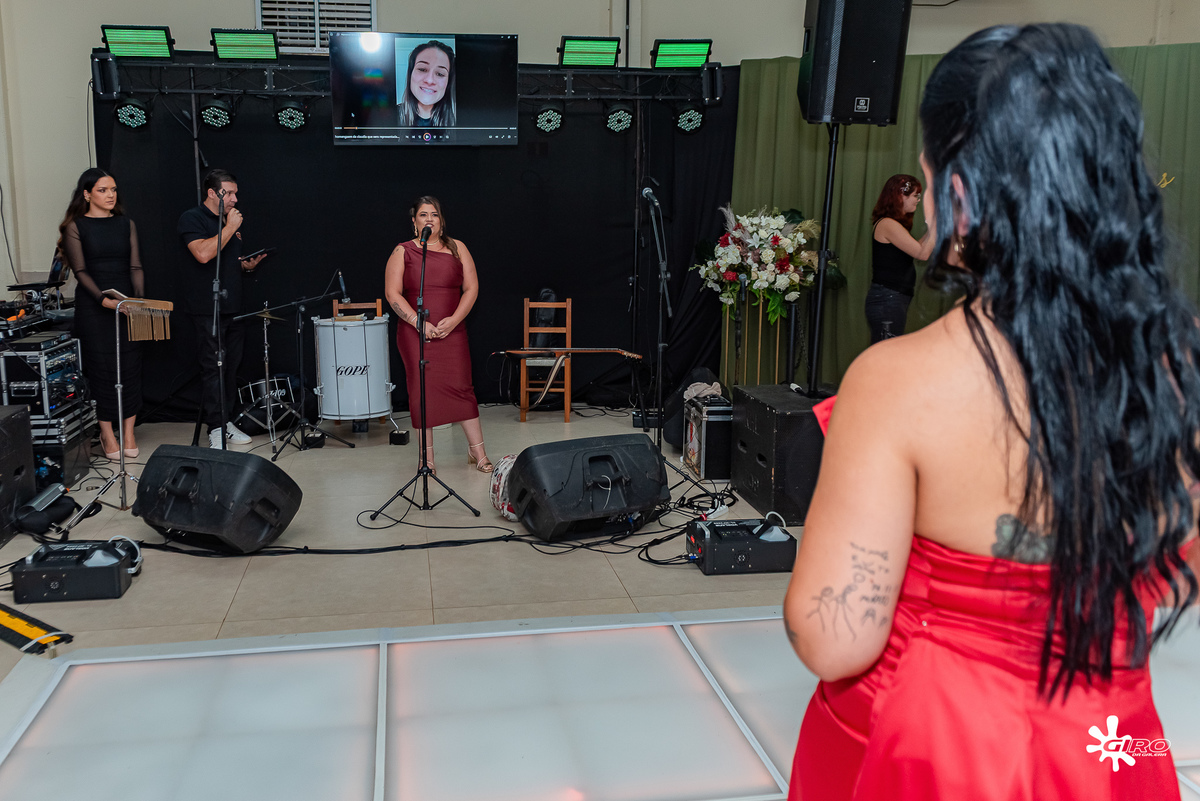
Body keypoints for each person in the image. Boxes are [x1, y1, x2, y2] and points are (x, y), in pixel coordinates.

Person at [783, 23, 1199, 800]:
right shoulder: (1181, 363)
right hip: (1107, 740)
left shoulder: (898, 381)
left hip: (925, 745)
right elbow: (1178, 577)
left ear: (963, 191)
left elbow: (834, 639)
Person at [384, 196, 492, 473]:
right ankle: (427, 459)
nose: (429, 219)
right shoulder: (403, 251)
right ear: (414, 221)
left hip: (452, 331)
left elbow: (471, 288)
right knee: (422, 392)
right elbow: (392, 293)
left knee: (462, 387)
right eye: (423, 214)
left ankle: (477, 452)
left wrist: (454, 320)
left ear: (441, 221)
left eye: (434, 214)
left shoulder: (458, 248)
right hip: (415, 334)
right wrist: (418, 322)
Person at [57, 168, 143, 459]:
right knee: (101, 369)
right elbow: (80, 271)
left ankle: (128, 433)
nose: (110, 195)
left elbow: (135, 266)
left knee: (130, 366)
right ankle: (107, 434)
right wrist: (104, 301)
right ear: (87, 194)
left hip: (126, 306)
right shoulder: (75, 226)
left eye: (113, 189)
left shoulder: (126, 224)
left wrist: (138, 301)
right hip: (94, 307)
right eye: (103, 190)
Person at [177, 169, 266, 449]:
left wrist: (245, 266)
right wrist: (229, 227)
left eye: (236, 193)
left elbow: (225, 260)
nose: (235, 199)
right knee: (213, 367)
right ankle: (215, 427)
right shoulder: (192, 218)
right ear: (212, 193)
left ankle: (226, 421)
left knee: (230, 368)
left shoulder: (229, 222)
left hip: (234, 307)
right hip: (207, 308)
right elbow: (203, 254)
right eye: (230, 193)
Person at [865, 174, 934, 344]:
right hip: (887, 299)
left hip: (891, 299)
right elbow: (922, 254)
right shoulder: (888, 224)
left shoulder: (892, 224)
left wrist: (932, 227)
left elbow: (915, 248)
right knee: (885, 354)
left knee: (886, 351)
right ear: (901, 196)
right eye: (915, 195)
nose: (918, 200)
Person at [398, 41, 456, 128]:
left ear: (448, 82)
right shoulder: (389, 116)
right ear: (410, 73)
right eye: (422, 69)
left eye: (440, 74)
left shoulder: (459, 122)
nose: (429, 80)